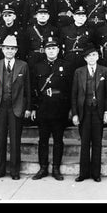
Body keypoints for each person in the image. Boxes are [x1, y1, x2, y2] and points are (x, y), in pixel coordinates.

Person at [0, 35, 31, 180]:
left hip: (15, 107)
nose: (9, 51)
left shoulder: (23, 65)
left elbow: (27, 88)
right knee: (0, 140)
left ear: (16, 50)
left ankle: (14, 171)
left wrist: (28, 107)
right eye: (7, 48)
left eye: (12, 49)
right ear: (3, 49)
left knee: (15, 141)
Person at [30, 37, 72, 181]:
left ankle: (56, 168)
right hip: (43, 108)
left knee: (58, 140)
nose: (51, 51)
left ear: (58, 50)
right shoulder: (38, 66)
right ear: (45, 50)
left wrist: (69, 109)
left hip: (59, 108)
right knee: (43, 140)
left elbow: (70, 88)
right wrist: (33, 108)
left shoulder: (66, 65)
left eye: (54, 48)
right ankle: (43, 168)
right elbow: (33, 89)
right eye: (49, 48)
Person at [72, 46, 107, 182]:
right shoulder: (79, 72)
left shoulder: (104, 71)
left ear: (98, 56)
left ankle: (96, 174)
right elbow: (74, 94)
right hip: (84, 111)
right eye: (89, 56)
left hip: (98, 112)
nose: (92, 58)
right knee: (84, 143)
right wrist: (75, 114)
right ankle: (83, 173)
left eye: (94, 55)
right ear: (85, 58)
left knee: (97, 143)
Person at [59, 6, 95, 72]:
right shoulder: (65, 30)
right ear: (74, 17)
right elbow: (61, 46)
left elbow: (93, 47)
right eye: (79, 15)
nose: (81, 17)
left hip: (84, 60)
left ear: (86, 18)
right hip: (69, 60)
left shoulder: (90, 31)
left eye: (83, 16)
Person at [23, 4, 58, 69]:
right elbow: (26, 47)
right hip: (33, 58)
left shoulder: (54, 30)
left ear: (48, 16)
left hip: (47, 57)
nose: (43, 16)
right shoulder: (29, 30)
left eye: (45, 14)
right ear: (36, 16)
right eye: (40, 14)